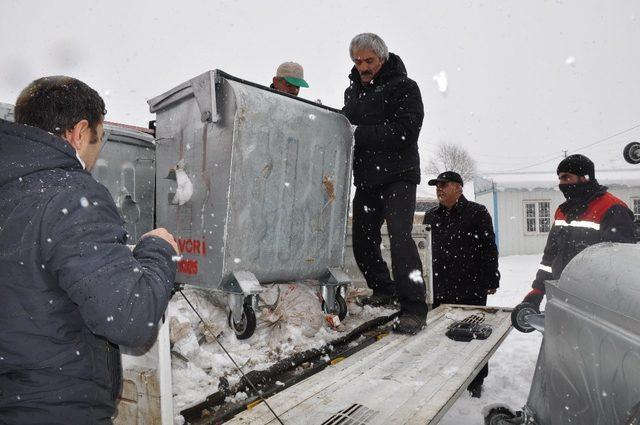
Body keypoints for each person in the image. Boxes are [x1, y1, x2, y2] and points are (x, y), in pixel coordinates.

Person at [0, 76, 179, 424]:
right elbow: (129, 318)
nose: (97, 153)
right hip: (55, 407)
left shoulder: (11, 189)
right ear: (79, 132)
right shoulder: (70, 196)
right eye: (99, 138)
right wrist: (156, 250)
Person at [343, 33, 427, 334]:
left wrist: (357, 132)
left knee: (400, 238)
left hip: (398, 177)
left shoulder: (405, 87)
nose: (363, 66)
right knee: (363, 241)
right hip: (367, 178)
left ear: (383, 58)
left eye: (369, 60)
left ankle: (415, 308)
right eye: (357, 61)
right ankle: (384, 290)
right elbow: (344, 128)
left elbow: (405, 132)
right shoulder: (352, 93)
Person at [512, 154, 635, 331]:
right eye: (560, 178)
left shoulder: (612, 209)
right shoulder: (563, 212)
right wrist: (538, 290)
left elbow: (621, 267)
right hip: (561, 296)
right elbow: (550, 257)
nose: (562, 183)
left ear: (585, 178)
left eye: (567, 177)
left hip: (595, 304)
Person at [423, 171, 500, 398]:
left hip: (470, 286)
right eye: (436, 185)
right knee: (442, 335)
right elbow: (425, 251)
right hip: (441, 287)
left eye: (444, 185)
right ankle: (447, 380)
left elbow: (488, 247)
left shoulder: (477, 212)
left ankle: (476, 382)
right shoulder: (431, 216)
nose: (439, 189)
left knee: (473, 335)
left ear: (458, 187)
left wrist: (491, 278)